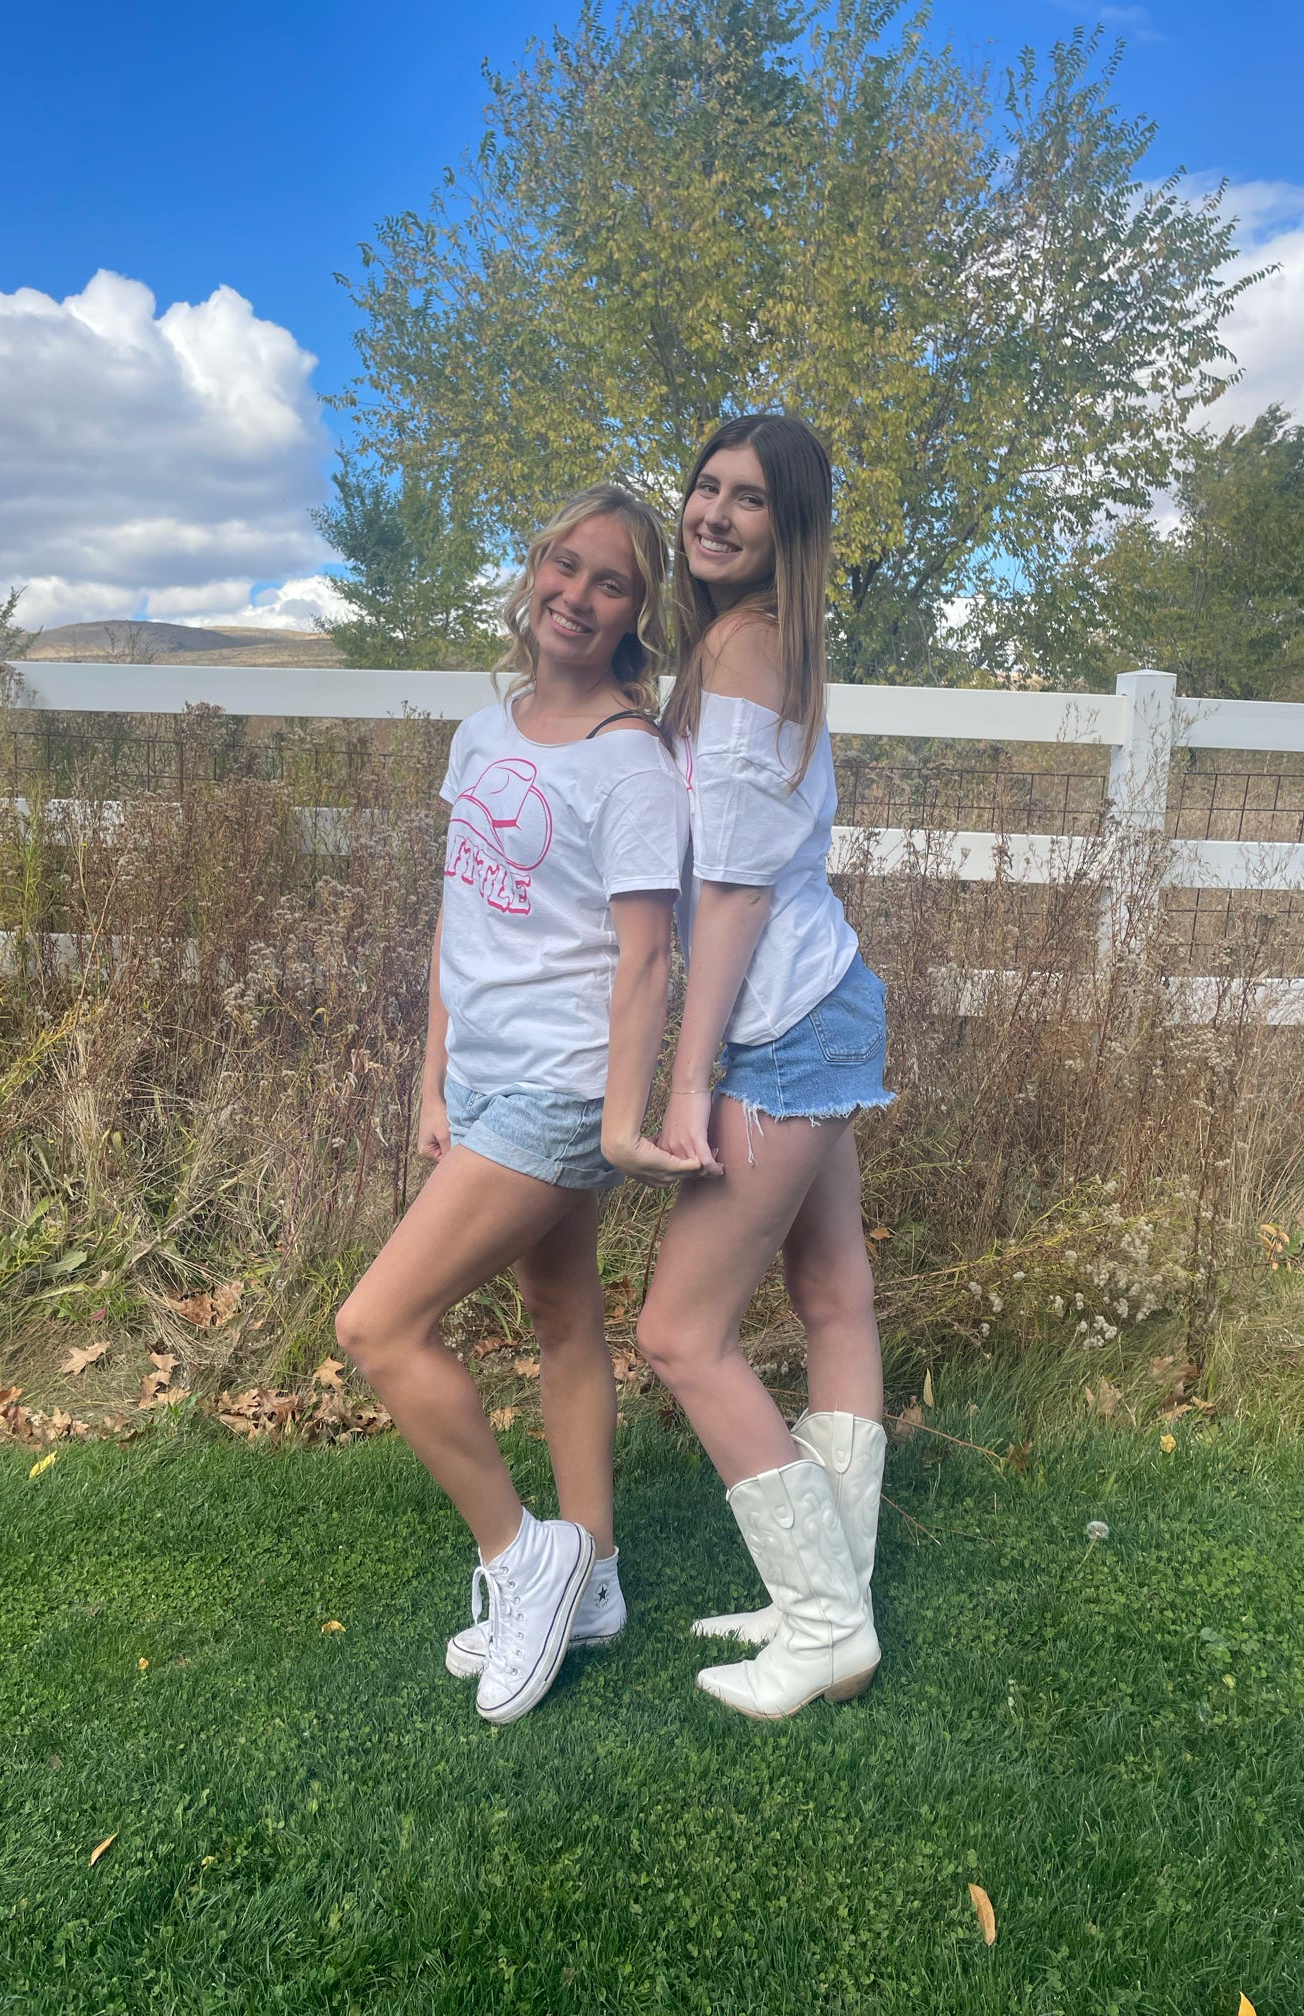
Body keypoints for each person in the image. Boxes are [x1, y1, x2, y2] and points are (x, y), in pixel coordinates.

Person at [336, 484, 695, 1726]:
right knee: (561, 1318)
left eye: (612, 583)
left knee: (378, 1327)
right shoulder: (482, 735)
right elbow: (461, 912)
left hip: (559, 1087)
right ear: (534, 570)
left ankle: (522, 1555)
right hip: (486, 1072)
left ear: (637, 614)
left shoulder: (630, 764)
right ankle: (594, 1574)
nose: (577, 596)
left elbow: (646, 959)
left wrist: (620, 1117)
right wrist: (431, 1073)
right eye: (564, 565)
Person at [609, 414, 893, 1721]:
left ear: (791, 530)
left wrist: (685, 1083)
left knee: (679, 1333)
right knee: (833, 1300)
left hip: (782, 1028)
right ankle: (831, 1596)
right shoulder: (759, 642)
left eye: (750, 500)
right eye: (704, 487)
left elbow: (729, 892)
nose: (714, 514)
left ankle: (826, 1624)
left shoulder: (742, 645)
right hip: (827, 1005)